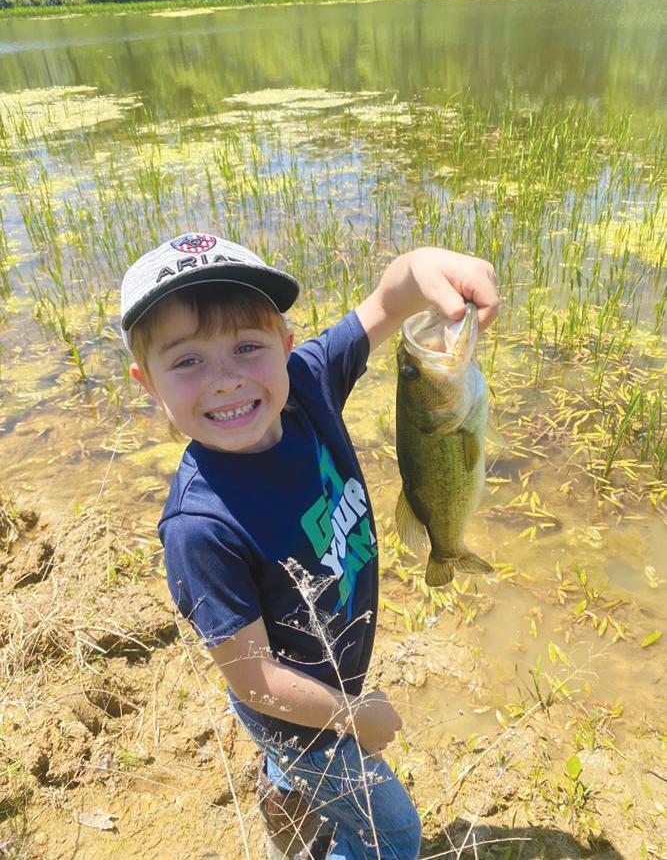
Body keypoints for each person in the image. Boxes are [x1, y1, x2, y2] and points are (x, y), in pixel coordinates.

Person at [120, 232, 498, 860]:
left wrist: (427, 268)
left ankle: (286, 810)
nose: (225, 380)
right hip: (305, 721)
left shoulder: (307, 385)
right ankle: (295, 789)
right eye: (187, 361)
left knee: (297, 783)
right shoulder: (199, 527)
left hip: (331, 681)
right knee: (391, 833)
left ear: (287, 346)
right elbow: (254, 681)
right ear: (148, 383)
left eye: (247, 347)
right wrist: (355, 715)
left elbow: (389, 300)